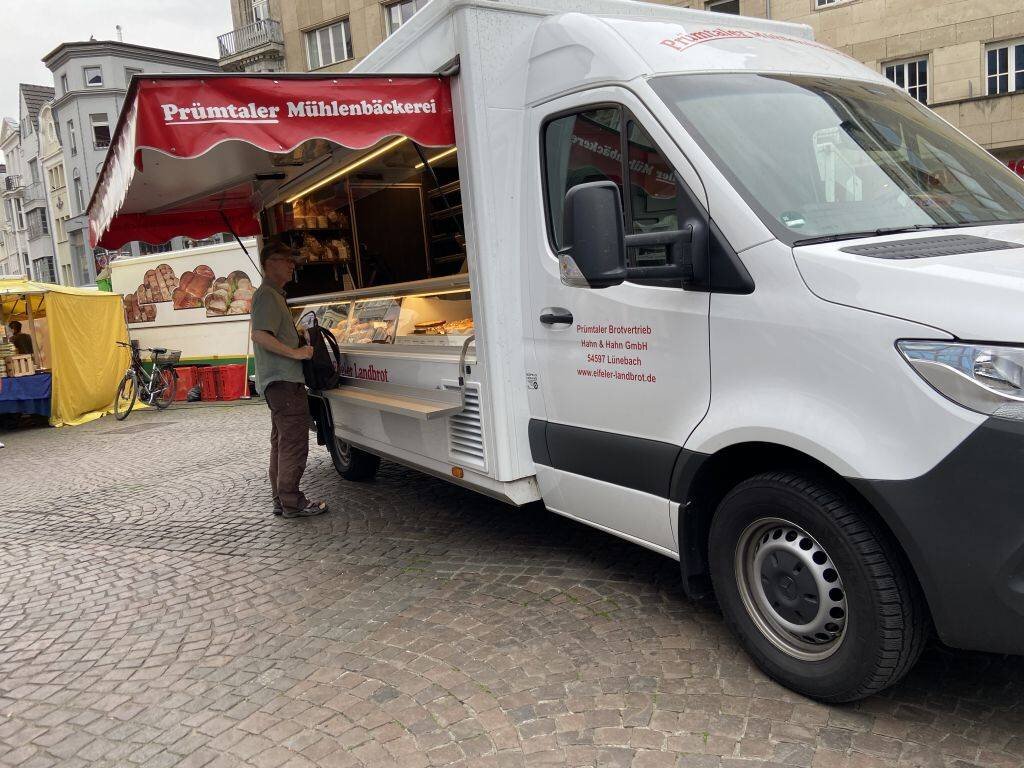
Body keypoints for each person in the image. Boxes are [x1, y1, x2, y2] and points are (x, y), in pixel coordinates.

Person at [251, 242, 329, 519]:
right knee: (294, 442)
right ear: (270, 263)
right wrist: (296, 352)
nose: (291, 265)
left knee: (283, 442)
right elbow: (260, 335)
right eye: (286, 260)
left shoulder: (272, 296)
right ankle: (292, 501)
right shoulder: (268, 296)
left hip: (279, 383)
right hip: (284, 381)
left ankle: (280, 500)